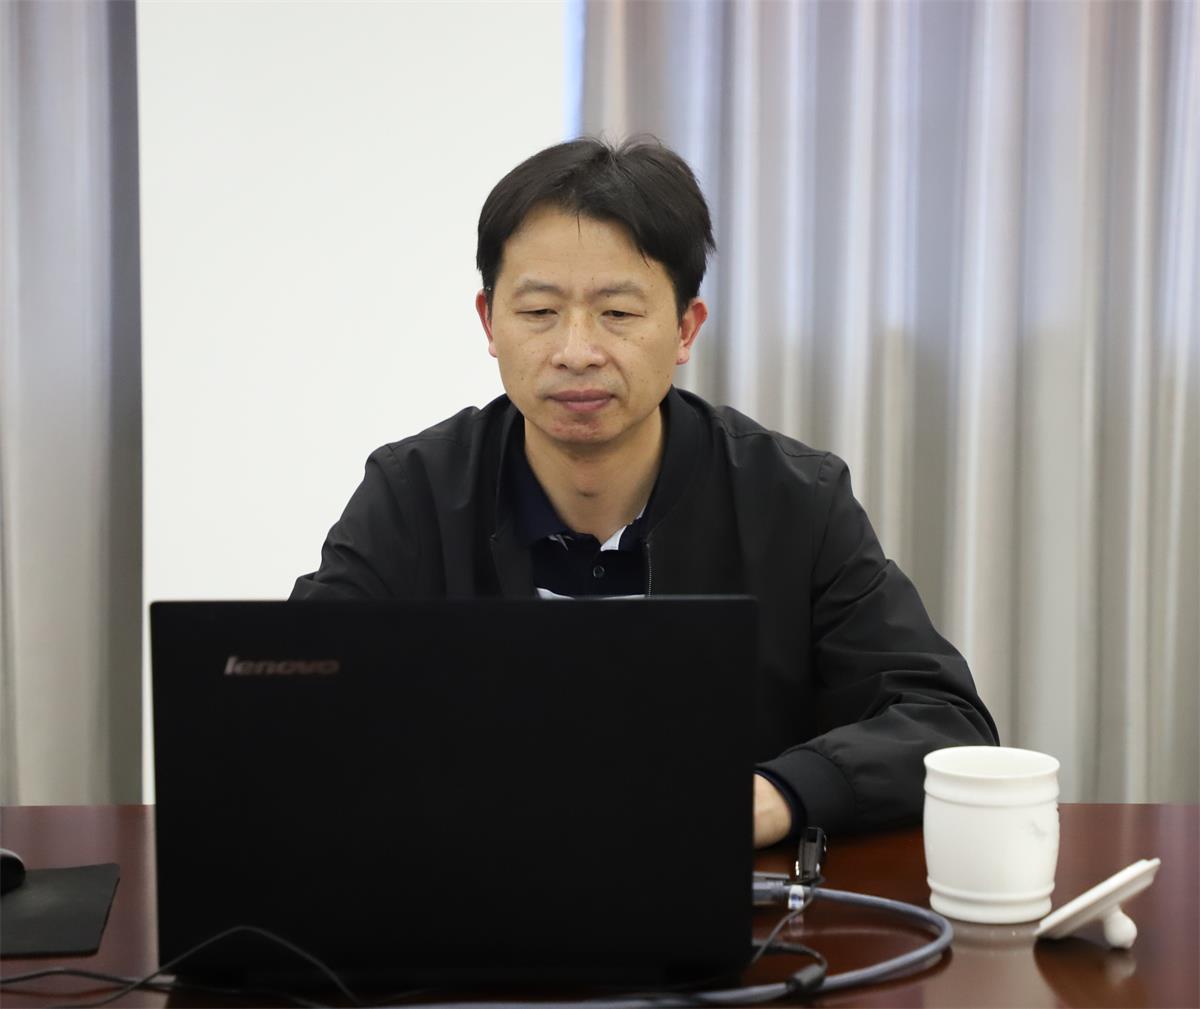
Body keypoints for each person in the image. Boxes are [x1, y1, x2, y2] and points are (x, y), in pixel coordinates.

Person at [292, 136, 998, 847]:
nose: (576, 351)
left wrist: (777, 794)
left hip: (718, 889)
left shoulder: (794, 499)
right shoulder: (412, 494)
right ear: (489, 322)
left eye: (619, 314)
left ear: (686, 328)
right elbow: (294, 702)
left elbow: (942, 719)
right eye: (539, 312)